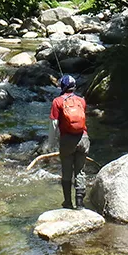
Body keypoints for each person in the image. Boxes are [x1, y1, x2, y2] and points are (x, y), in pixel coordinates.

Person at [49, 74, 90, 209]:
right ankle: (80, 204)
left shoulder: (57, 102)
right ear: (74, 87)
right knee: (80, 171)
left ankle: (68, 202)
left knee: (67, 171)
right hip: (83, 138)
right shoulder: (81, 101)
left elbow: (54, 125)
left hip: (67, 140)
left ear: (62, 86)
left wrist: (51, 144)